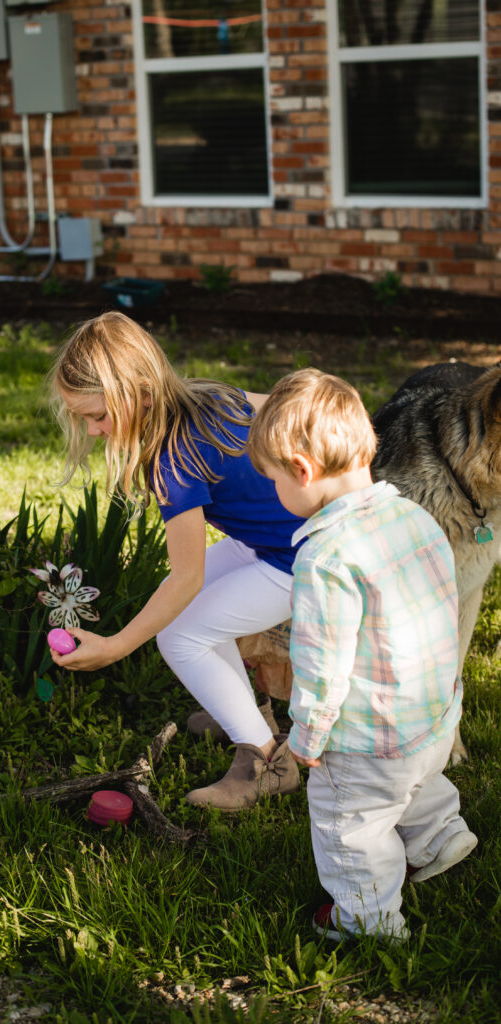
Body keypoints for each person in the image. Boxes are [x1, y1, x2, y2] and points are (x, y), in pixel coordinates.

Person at [248, 367, 477, 942]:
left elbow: (323, 665)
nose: (275, 492)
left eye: (273, 480)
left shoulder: (325, 559)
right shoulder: (415, 516)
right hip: (431, 715)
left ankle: (367, 921)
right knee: (418, 782)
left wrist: (308, 737)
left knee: (350, 823)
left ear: (301, 472)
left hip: (367, 740)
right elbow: (442, 606)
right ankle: (439, 837)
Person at [47, 310, 302, 810]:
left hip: (302, 558)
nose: (94, 430)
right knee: (195, 612)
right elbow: (279, 407)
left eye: (99, 415)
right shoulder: (206, 395)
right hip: (280, 540)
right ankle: (247, 712)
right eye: (83, 418)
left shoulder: (172, 460)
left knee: (180, 635)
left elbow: (187, 578)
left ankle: (267, 761)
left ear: (140, 393)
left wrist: (115, 647)